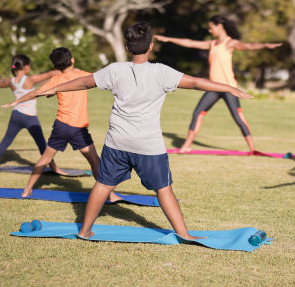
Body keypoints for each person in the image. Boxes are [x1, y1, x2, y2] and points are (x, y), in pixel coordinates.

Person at [37, 23, 252, 240]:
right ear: (151, 46)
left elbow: (82, 82)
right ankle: (184, 234)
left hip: (117, 142)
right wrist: (228, 87)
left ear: (128, 48)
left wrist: (55, 88)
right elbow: (196, 82)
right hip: (148, 145)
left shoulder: (115, 70)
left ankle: (84, 231)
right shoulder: (161, 72)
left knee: (102, 185)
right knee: (164, 189)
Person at [2, 48, 120, 202]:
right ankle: (109, 195)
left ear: (56, 66)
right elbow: (103, 78)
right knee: (94, 160)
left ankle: (27, 189)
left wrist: (16, 101)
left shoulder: (56, 80)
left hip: (62, 126)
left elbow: (34, 93)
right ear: (72, 60)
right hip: (78, 128)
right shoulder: (82, 75)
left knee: (45, 159)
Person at [155, 15, 280, 153]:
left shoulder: (229, 43)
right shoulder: (212, 44)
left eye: (211, 27)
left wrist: (265, 45)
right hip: (213, 88)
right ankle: (186, 146)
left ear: (219, 26)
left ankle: (253, 149)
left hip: (229, 89)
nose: (209, 30)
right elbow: (190, 42)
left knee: (238, 118)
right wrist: (168, 39)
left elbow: (248, 46)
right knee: (198, 113)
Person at [0, 54, 64, 172]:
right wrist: (67, 71)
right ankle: (54, 168)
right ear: (25, 67)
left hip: (16, 116)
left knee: (6, 140)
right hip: (30, 118)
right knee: (41, 144)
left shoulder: (11, 81)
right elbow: (50, 74)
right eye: (29, 65)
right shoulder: (30, 79)